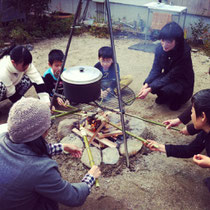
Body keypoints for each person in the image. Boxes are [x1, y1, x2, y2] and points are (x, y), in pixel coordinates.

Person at [0, 97, 101, 210]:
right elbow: (74, 197)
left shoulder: (3, 137)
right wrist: (91, 177)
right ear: (45, 131)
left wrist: (62, 147)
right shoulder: (40, 169)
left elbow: (24, 149)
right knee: (49, 200)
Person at [144, 89, 210, 192]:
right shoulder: (205, 132)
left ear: (203, 116)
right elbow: (190, 150)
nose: (191, 115)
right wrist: (160, 147)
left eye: (192, 112)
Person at [137, 22, 194, 111]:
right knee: (154, 83)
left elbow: (172, 76)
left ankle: (178, 100)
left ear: (177, 41)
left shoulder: (184, 53)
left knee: (166, 90)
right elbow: (156, 69)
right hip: (168, 76)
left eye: (169, 41)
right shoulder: (160, 48)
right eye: (163, 40)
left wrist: (150, 89)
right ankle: (164, 96)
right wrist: (146, 84)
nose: (164, 44)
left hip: (183, 81)